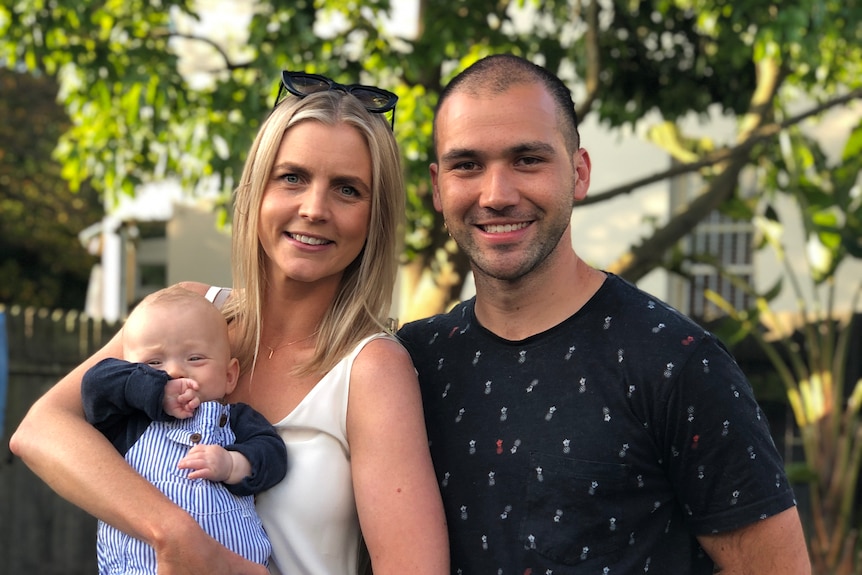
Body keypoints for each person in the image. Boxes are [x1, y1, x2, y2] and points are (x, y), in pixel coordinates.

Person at [11, 70, 449, 575]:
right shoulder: (189, 313)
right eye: (293, 177)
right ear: (256, 189)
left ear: (376, 216)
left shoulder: (372, 369)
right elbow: (41, 429)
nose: (314, 208)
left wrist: (222, 565)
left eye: (348, 190)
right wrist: (172, 533)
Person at [397, 54, 811, 574]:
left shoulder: (676, 363)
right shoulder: (411, 362)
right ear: (438, 187)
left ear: (579, 173)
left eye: (528, 160)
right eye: (467, 165)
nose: (497, 194)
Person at [82, 285, 287, 573]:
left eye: (195, 358)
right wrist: (156, 390)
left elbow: (273, 455)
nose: (175, 371)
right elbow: (95, 384)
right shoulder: (129, 422)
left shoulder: (235, 420)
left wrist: (231, 463)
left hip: (233, 565)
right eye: (153, 363)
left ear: (229, 376)